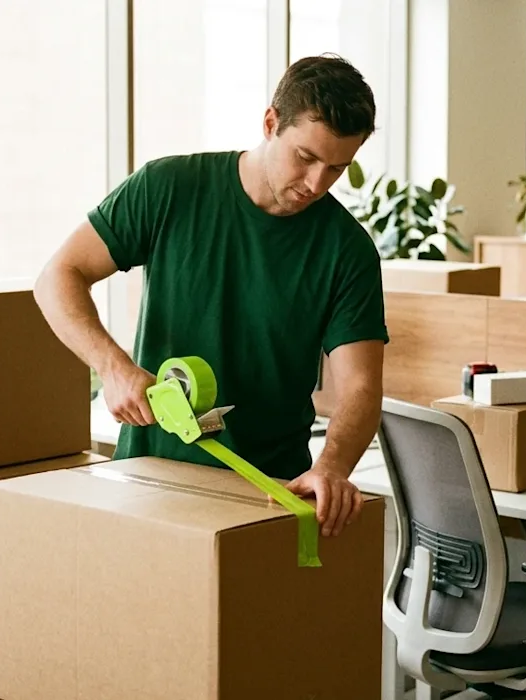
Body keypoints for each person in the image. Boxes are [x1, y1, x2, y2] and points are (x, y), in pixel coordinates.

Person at [33, 54, 388, 539]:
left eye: (337, 168)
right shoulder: (167, 188)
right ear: (270, 123)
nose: (316, 184)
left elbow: (362, 387)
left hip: (267, 492)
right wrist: (113, 368)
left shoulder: (347, 250)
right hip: (148, 477)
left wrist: (332, 466)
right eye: (306, 158)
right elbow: (58, 276)